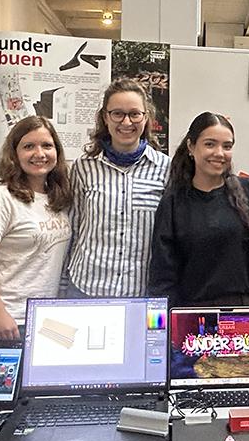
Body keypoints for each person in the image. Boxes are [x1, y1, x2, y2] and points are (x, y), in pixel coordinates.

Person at [149, 113, 249, 308]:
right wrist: (169, 319)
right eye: (210, 144)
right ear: (191, 147)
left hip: (245, 312)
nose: (219, 153)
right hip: (192, 314)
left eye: (227, 146)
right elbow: (163, 273)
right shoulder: (173, 202)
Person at [0, 116, 73, 339]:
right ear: (14, 154)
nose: (39, 153)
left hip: (43, 318)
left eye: (47, 145)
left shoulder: (58, 199)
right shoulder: (0, 199)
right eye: (28, 146)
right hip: (5, 319)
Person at [64, 78, 171, 298]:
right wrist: (62, 288)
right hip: (86, 289)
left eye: (134, 114)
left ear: (146, 117)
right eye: (117, 114)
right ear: (105, 117)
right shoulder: (84, 167)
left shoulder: (165, 168)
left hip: (141, 294)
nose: (126, 122)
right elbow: (72, 230)